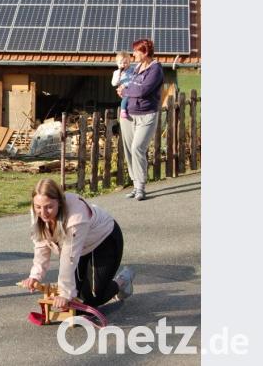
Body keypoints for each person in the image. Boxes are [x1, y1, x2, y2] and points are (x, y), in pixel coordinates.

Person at [20, 178, 135, 311]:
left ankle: (122, 282)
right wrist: (35, 276)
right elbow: (41, 245)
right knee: (78, 302)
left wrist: (65, 293)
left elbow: (69, 258)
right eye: (38, 207)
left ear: (60, 203)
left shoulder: (76, 217)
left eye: (49, 207)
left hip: (104, 241)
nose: (43, 213)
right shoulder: (37, 213)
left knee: (92, 299)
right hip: (81, 249)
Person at [117, 38, 164, 201]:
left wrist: (127, 89)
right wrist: (124, 88)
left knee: (138, 148)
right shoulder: (136, 68)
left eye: (136, 51)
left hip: (147, 115)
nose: (133, 54)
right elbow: (131, 86)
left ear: (144, 53)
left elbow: (143, 90)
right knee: (129, 149)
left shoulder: (155, 69)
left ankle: (141, 187)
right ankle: (135, 185)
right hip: (129, 114)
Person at [111, 51, 135, 120]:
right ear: (117, 64)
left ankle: (128, 110)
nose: (123, 65)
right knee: (126, 97)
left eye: (125, 63)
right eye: (120, 63)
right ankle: (123, 110)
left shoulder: (132, 70)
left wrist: (126, 85)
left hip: (131, 87)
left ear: (129, 63)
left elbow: (134, 80)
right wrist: (118, 76)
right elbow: (113, 83)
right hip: (123, 90)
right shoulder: (116, 72)